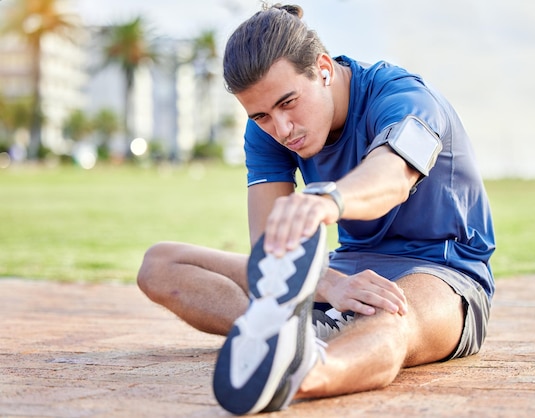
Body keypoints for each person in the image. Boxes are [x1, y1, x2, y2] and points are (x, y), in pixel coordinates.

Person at [137, 3, 495, 415]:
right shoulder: (267, 129)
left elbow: (392, 178)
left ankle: (299, 371)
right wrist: (329, 284)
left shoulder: (406, 98)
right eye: (262, 116)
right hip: (345, 271)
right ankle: (293, 333)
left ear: (323, 68)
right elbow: (268, 254)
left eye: (289, 103)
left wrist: (328, 200)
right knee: (159, 263)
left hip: (442, 274)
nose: (281, 128)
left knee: (391, 319)